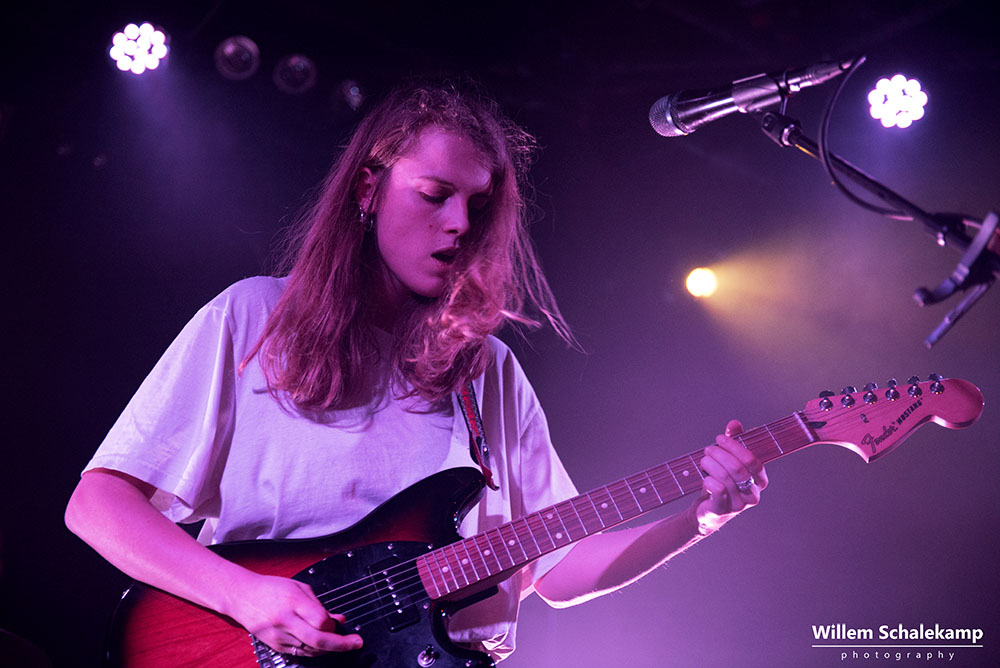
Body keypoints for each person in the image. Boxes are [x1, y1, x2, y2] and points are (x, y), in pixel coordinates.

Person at [65, 80, 767, 663]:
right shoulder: (253, 317)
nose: (461, 223)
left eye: (479, 205)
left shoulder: (486, 370)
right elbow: (97, 506)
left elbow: (559, 568)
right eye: (436, 194)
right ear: (368, 188)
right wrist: (245, 597)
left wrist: (701, 519)